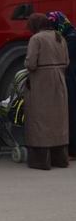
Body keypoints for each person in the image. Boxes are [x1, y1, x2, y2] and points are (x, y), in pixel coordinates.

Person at [24, 13, 70, 170]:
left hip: (41, 82)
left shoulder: (36, 39)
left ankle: (41, 161)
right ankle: (60, 159)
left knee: (40, 118)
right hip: (59, 81)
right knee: (58, 119)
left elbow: (31, 63)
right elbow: (67, 61)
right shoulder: (60, 37)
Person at [47, 11, 76, 157]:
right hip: (70, 79)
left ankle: (73, 150)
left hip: (72, 81)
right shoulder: (70, 35)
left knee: (72, 114)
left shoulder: (71, 39)